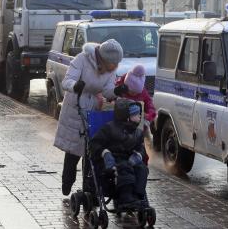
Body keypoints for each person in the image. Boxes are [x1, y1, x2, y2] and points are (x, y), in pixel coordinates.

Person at [54, 39, 124, 197]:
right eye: (113, 63)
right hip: (76, 107)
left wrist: (117, 91)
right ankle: (67, 181)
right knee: (73, 150)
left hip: (94, 110)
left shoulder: (110, 70)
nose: (114, 67)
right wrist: (76, 85)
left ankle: (88, 189)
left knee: (91, 151)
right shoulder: (82, 59)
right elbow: (67, 81)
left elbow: (107, 91)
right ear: (104, 58)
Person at [89, 98, 148, 209]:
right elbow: (94, 144)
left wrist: (139, 155)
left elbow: (141, 148)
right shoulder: (109, 128)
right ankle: (125, 197)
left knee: (142, 168)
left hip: (129, 158)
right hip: (111, 160)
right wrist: (105, 153)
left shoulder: (138, 133)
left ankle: (136, 196)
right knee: (124, 167)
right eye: (136, 114)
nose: (140, 116)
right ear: (127, 117)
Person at [114, 65, 156, 132]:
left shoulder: (143, 92)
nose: (134, 94)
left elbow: (150, 105)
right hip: (120, 123)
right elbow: (110, 98)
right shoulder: (119, 88)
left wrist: (148, 116)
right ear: (126, 86)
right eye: (132, 91)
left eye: (136, 92)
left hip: (137, 125)